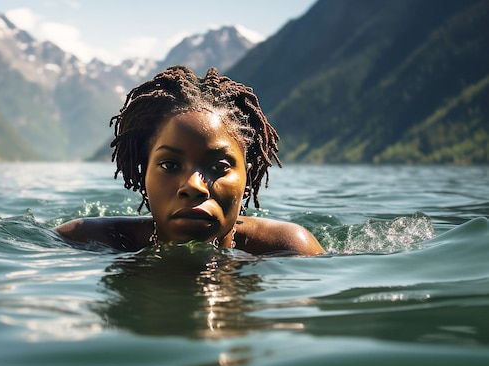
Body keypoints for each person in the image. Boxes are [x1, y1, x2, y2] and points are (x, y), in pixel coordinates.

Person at [55, 66, 324, 256]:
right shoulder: (84, 241)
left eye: (220, 167)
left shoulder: (289, 249)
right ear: (142, 173)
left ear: (248, 178)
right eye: (169, 165)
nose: (194, 186)